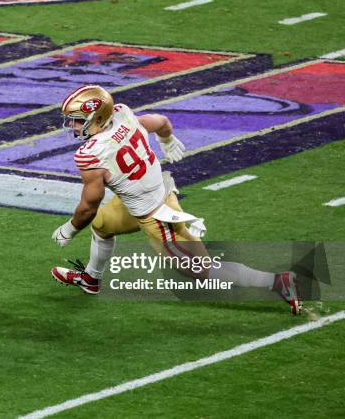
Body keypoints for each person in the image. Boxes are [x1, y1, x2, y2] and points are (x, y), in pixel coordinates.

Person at [50, 84, 302, 314]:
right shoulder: (123, 115)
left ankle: (278, 282)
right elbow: (161, 121)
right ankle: (92, 279)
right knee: (103, 225)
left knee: (201, 270)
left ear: (97, 118)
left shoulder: (92, 154)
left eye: (77, 120)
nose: (72, 125)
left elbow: (88, 206)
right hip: (144, 196)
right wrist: (167, 140)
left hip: (156, 215)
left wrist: (70, 229)